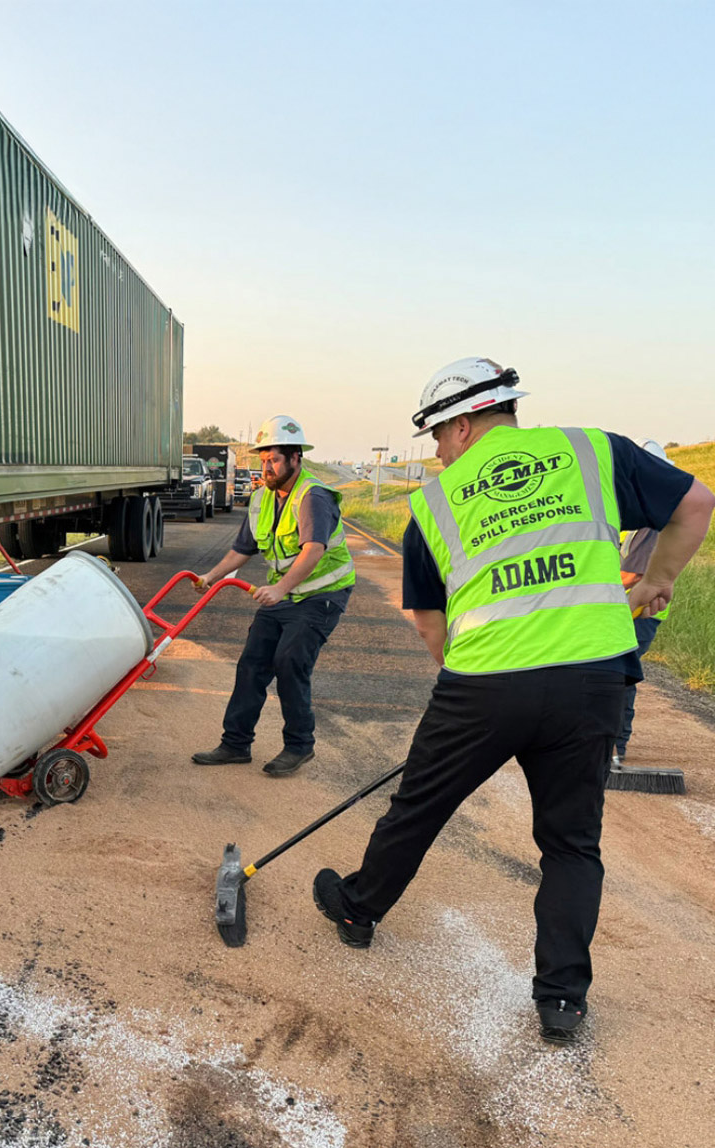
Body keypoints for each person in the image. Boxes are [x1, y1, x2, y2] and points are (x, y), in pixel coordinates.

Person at [312, 358, 713, 1046]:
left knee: (419, 806)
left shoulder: (433, 505)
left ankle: (357, 908)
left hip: (486, 684)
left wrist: (465, 680)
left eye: (437, 436)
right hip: (592, 678)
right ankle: (561, 1002)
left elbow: (430, 625)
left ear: (463, 425)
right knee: (570, 843)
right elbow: (697, 502)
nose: (435, 452)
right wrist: (656, 581)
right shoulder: (592, 450)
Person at [189, 415, 355, 776]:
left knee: (290, 661)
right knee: (252, 664)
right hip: (283, 597)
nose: (267, 466)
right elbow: (242, 549)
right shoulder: (261, 498)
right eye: (262, 460)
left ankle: (299, 746)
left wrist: (280, 588)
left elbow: (313, 550)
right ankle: (235, 744)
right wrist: (210, 576)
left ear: (296, 458)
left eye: (274, 459)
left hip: (320, 595)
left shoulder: (313, 497)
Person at [613, 439, 677, 772]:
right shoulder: (641, 520)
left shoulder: (652, 522)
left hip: (640, 614)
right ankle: (611, 745)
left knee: (619, 676)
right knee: (616, 675)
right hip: (632, 612)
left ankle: (614, 747)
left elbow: (630, 574)